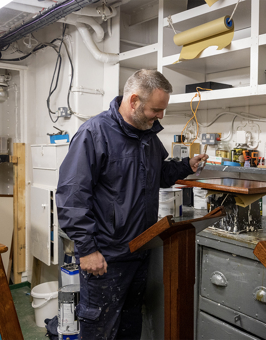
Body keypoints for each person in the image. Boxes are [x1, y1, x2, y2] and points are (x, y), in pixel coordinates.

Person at [56, 69, 207, 340]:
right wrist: (87, 250)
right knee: (99, 329)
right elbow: (71, 196)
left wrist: (186, 166)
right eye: (156, 109)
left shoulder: (148, 135)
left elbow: (158, 173)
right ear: (134, 100)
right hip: (106, 256)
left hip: (139, 249)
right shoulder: (94, 133)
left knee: (129, 324)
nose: (160, 116)